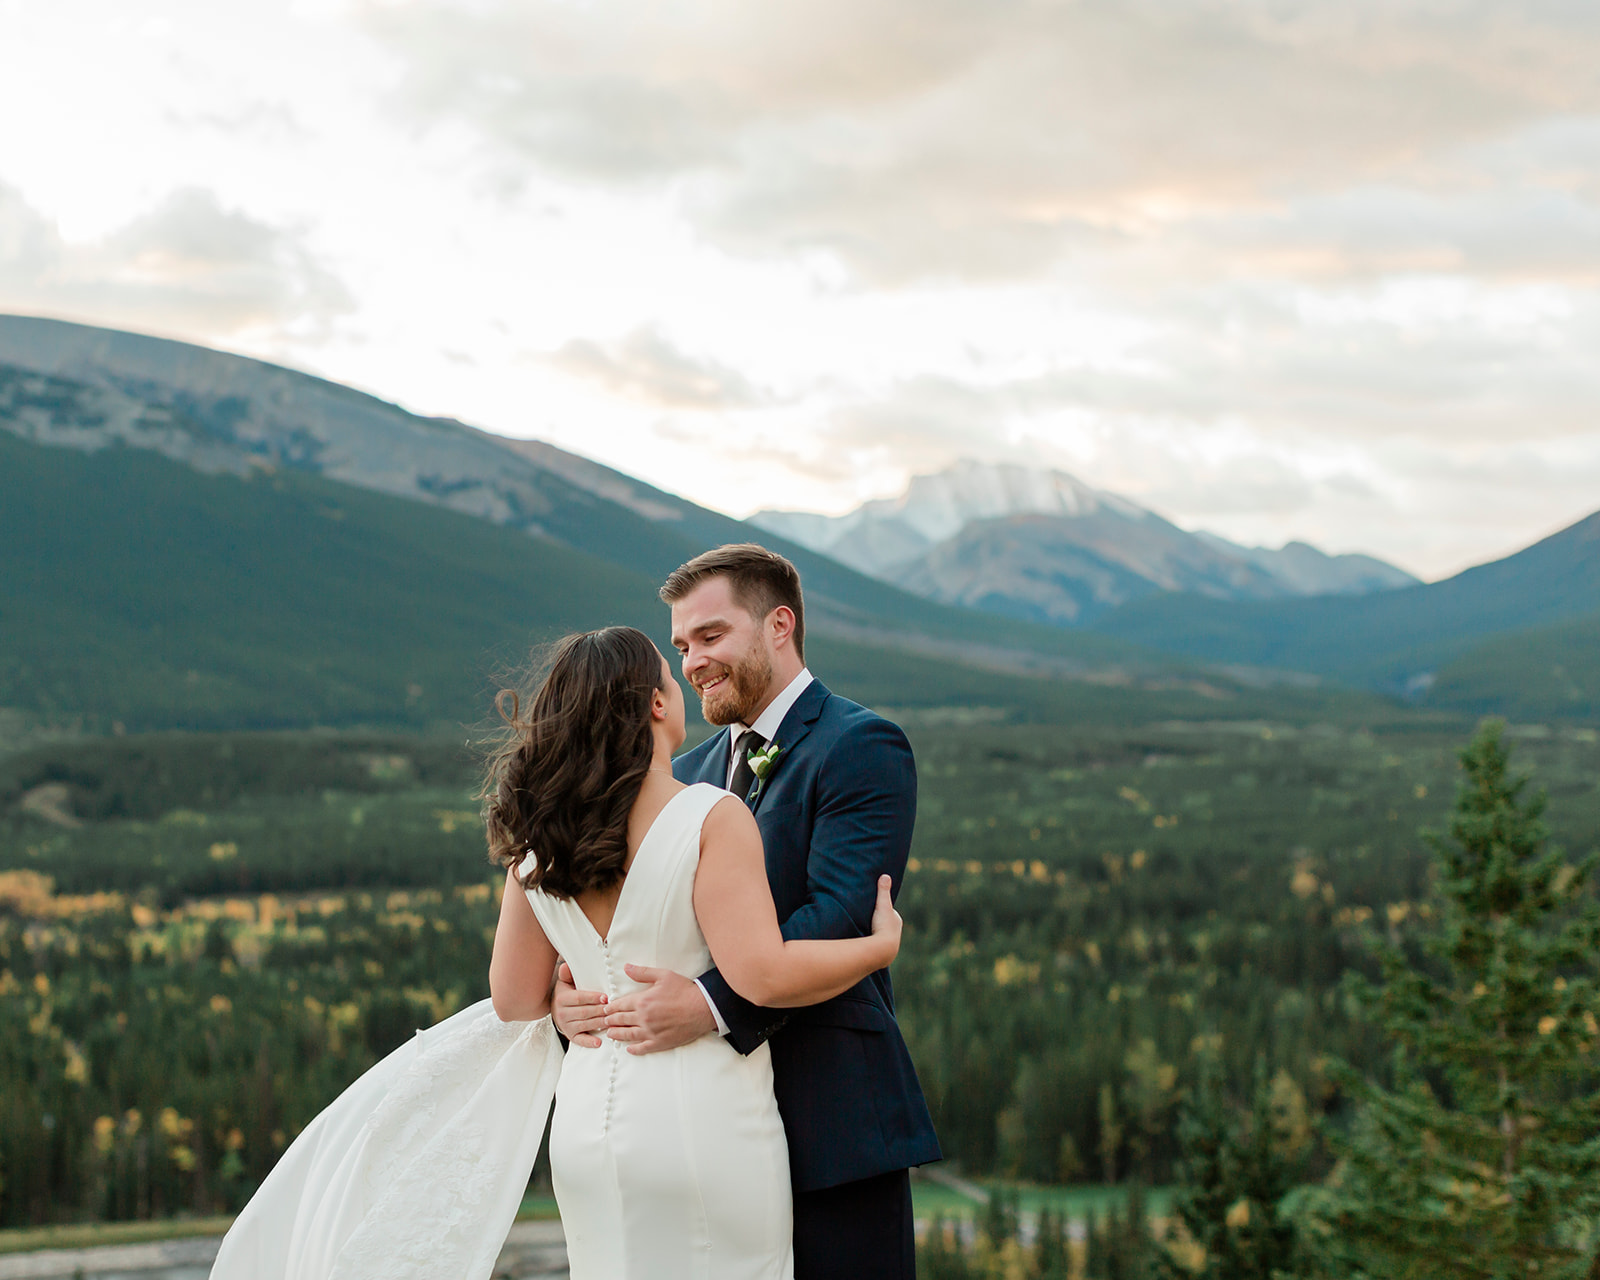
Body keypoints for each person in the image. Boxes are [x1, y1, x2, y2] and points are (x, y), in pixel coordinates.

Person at [208, 622, 903, 1280]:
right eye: (672, 668)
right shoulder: (711, 814)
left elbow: (514, 998)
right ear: (658, 704)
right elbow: (762, 975)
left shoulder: (538, 837)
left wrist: (571, 1000)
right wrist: (876, 949)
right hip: (704, 1122)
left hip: (584, 1131)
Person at [554, 543, 942, 1280]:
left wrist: (707, 1003)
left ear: (779, 626)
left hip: (831, 1120)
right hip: (698, 1133)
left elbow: (840, 916)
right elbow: (620, 916)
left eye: (711, 636)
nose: (693, 661)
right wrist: (567, 995)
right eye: (680, 647)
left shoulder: (862, 745)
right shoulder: (685, 774)